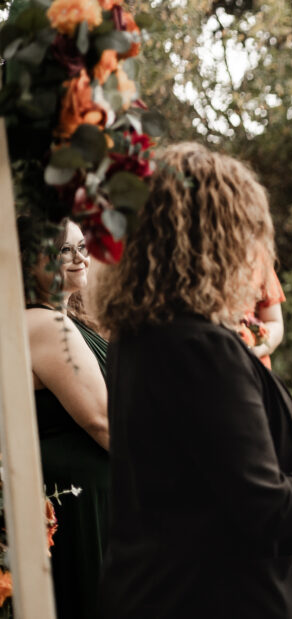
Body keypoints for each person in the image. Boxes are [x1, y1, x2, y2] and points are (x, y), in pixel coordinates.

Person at [93, 142, 292, 619]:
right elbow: (268, 509)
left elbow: (203, 454)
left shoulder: (140, 336)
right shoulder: (205, 349)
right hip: (220, 594)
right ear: (218, 241)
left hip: (154, 587)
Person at [22, 218, 110, 619]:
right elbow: (102, 422)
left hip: (89, 493)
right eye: (64, 250)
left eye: (82, 247)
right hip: (79, 502)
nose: (80, 258)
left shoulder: (65, 318)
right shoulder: (44, 324)